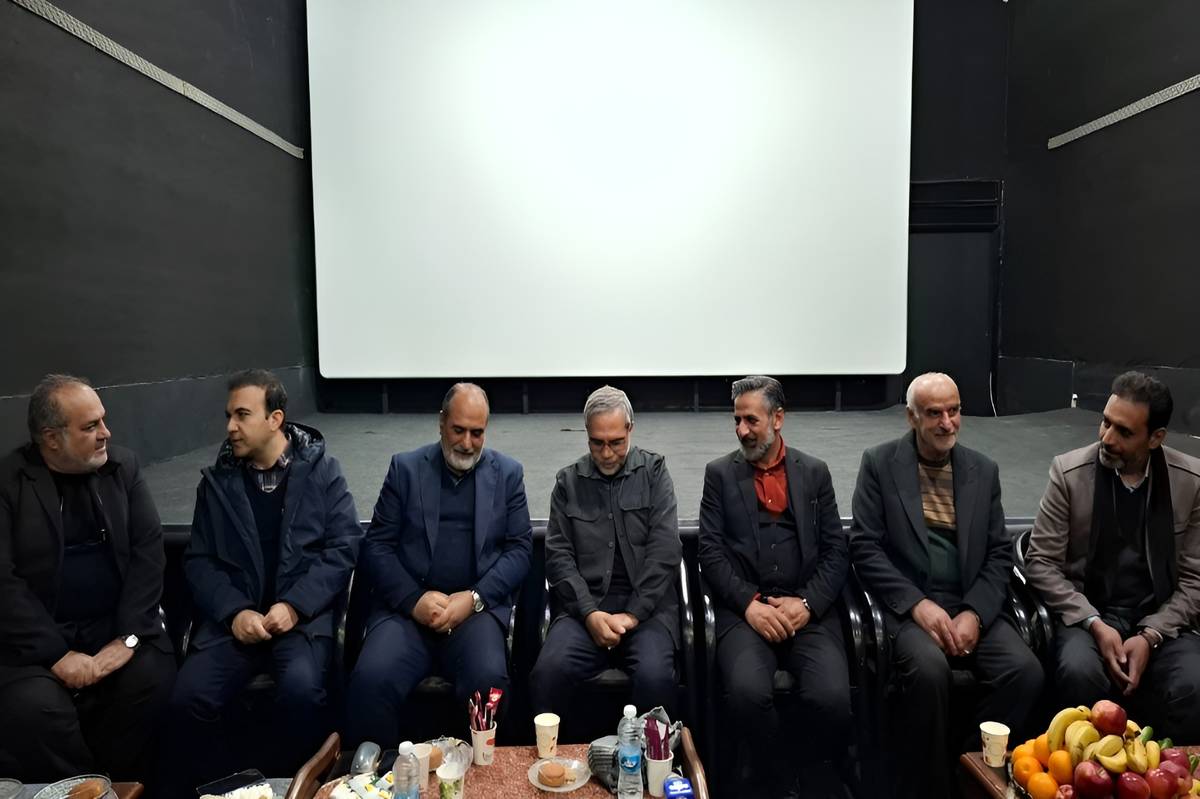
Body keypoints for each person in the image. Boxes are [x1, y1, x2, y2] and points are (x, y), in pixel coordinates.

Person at [162, 369, 362, 791]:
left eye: (242, 415)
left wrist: (295, 605)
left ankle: (297, 788)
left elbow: (343, 548)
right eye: (229, 416)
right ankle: (229, 789)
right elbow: (199, 561)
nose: (230, 427)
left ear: (275, 419)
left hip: (300, 623)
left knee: (302, 692)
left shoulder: (323, 472)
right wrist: (234, 612)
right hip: (233, 626)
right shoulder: (216, 484)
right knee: (187, 699)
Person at [850, 372, 1042, 799]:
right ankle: (930, 785)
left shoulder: (983, 470)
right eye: (934, 413)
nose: (947, 422)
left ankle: (969, 771)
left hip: (970, 603)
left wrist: (975, 612)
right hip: (911, 608)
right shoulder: (879, 464)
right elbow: (865, 547)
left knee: (1024, 672)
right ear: (911, 417)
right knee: (928, 673)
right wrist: (917, 605)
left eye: (954, 411)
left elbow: (998, 553)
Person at [0, 374, 176, 782]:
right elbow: (3, 582)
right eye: (91, 426)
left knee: (151, 680)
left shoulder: (122, 468)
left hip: (116, 628)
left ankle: (123, 784)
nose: (105, 433)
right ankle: (90, 787)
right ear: (52, 438)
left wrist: (127, 638)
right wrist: (56, 654)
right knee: (35, 709)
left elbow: (148, 554)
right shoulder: (9, 483)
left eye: (103, 420)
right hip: (38, 644)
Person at [346, 383, 532, 746]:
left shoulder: (508, 474)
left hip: (474, 615)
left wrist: (474, 598)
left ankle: (480, 772)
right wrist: (413, 600)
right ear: (441, 423)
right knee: (370, 680)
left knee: (488, 682)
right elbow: (377, 547)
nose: (467, 443)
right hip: (406, 615)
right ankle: (381, 773)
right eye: (458, 430)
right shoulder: (405, 469)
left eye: (477, 433)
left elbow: (520, 550)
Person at [697, 376, 850, 797]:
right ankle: (780, 778)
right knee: (746, 694)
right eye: (737, 420)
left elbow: (836, 552)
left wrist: (808, 603)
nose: (741, 430)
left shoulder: (814, 473)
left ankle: (811, 769)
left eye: (751, 420)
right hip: (746, 613)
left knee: (833, 698)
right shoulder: (719, 475)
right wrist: (749, 604)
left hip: (806, 613)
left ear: (778, 419)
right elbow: (710, 553)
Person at [1026, 371, 1200, 740]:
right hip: (1087, 616)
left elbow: (1194, 581)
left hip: (1161, 620)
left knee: (1193, 683)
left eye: (1124, 432)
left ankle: (1168, 771)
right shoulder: (1069, 473)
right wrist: (1093, 622)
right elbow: (1041, 563)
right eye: (1106, 422)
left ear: (1156, 438)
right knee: (1079, 673)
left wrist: (1151, 634)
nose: (1107, 438)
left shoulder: (1191, 483)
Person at [530, 386, 682, 725]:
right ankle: (558, 758)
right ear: (587, 434)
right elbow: (558, 557)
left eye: (616, 442)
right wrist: (589, 613)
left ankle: (654, 759)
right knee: (547, 674)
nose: (607, 453)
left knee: (656, 679)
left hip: (647, 613)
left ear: (630, 429)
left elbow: (665, 550)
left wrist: (633, 614)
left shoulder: (654, 473)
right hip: (584, 613)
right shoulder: (568, 482)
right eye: (597, 443)